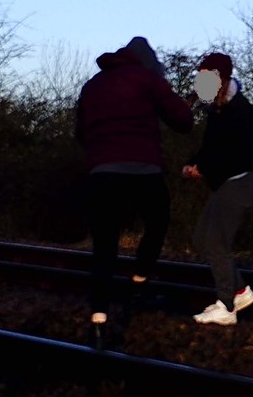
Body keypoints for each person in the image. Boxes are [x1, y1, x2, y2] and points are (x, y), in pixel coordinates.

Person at [75, 36, 194, 338]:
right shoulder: (148, 79)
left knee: (105, 245)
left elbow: (80, 133)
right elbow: (182, 120)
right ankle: (139, 280)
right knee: (157, 220)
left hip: (102, 172)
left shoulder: (92, 86)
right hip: (144, 169)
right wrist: (198, 95)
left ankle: (99, 317)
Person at [183, 52, 253, 326]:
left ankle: (226, 307)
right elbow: (211, 148)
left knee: (216, 242)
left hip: (240, 182)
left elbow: (236, 155)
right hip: (228, 182)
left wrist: (204, 167)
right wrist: (194, 162)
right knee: (202, 238)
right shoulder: (217, 109)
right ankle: (240, 292)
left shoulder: (242, 113)